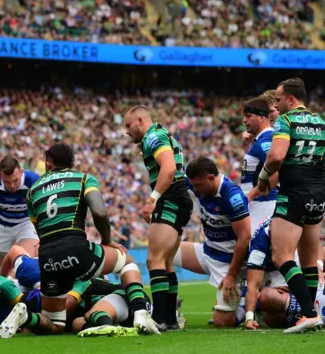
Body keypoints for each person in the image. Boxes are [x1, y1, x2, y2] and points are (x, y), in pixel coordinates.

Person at [23, 143, 158, 335]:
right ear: (72, 163)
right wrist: (107, 240)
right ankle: (140, 312)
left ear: (49, 163)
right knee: (126, 261)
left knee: (56, 325)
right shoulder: (84, 178)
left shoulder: (32, 191)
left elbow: (39, 229)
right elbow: (100, 213)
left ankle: (26, 317)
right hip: (76, 248)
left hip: (47, 258)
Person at [257, 77, 325, 333]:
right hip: (317, 193)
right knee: (308, 261)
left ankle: (307, 313)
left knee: (282, 256)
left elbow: (276, 156)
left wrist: (263, 177)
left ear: (291, 99)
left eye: (278, 98)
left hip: (293, 192)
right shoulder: (320, 122)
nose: (275, 103)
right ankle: (311, 315)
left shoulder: (286, 121)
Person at [124, 106, 193, 330]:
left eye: (128, 125)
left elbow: (169, 168)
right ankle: (170, 319)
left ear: (141, 121)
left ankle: (160, 319)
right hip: (179, 198)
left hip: (170, 198)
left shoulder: (153, 136)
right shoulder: (160, 134)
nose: (126, 131)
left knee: (154, 260)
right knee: (166, 262)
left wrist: (151, 200)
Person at [174, 157, 251, 327]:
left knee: (221, 322)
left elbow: (245, 238)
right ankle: (170, 304)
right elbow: (172, 172)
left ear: (210, 178)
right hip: (207, 252)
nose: (195, 189)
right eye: (193, 185)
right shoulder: (199, 184)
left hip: (228, 262)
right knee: (163, 251)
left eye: (198, 185)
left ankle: (246, 302)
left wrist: (231, 275)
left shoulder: (232, 197)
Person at [243, 216, 297, 330]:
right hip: (270, 274)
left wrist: (319, 268)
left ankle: (306, 308)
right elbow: (253, 285)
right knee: (267, 299)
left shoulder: (297, 225)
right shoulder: (259, 245)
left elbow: (318, 250)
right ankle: (305, 310)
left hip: (289, 262)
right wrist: (249, 318)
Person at [240, 97, 278, 229]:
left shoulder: (266, 140)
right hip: (258, 204)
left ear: (262, 118)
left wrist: (249, 197)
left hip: (263, 205)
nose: (244, 120)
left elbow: (276, 171)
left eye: (248, 116)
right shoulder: (259, 141)